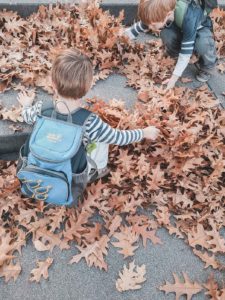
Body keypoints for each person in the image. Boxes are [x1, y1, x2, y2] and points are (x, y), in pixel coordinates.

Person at [18, 48, 160, 183]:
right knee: (101, 141)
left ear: (53, 84)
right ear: (88, 87)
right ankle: (98, 170)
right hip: (71, 173)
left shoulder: (42, 108)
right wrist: (143, 133)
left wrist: (26, 105)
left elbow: (27, 116)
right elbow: (118, 137)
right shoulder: (90, 122)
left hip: (42, 164)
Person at [124, 0, 217, 88]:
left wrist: (174, 78)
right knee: (166, 34)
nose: (150, 27)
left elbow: (185, 53)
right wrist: (123, 35)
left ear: (168, 14)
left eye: (153, 25)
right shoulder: (164, 9)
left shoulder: (188, 16)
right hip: (178, 25)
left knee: (202, 44)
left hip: (199, 28)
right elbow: (146, 23)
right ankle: (175, 54)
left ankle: (208, 67)